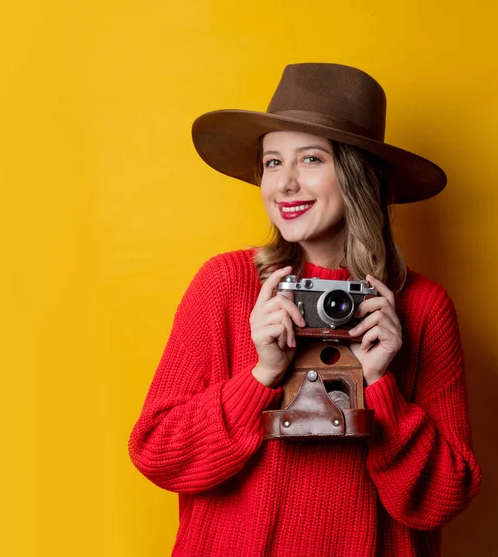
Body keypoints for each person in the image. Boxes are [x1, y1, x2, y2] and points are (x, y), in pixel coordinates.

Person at [128, 63, 482, 556]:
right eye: (273, 162)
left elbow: (445, 498)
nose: (285, 184)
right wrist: (260, 376)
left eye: (310, 159)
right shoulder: (227, 284)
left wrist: (383, 387)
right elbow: (157, 453)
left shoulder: (420, 308)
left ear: (359, 175)